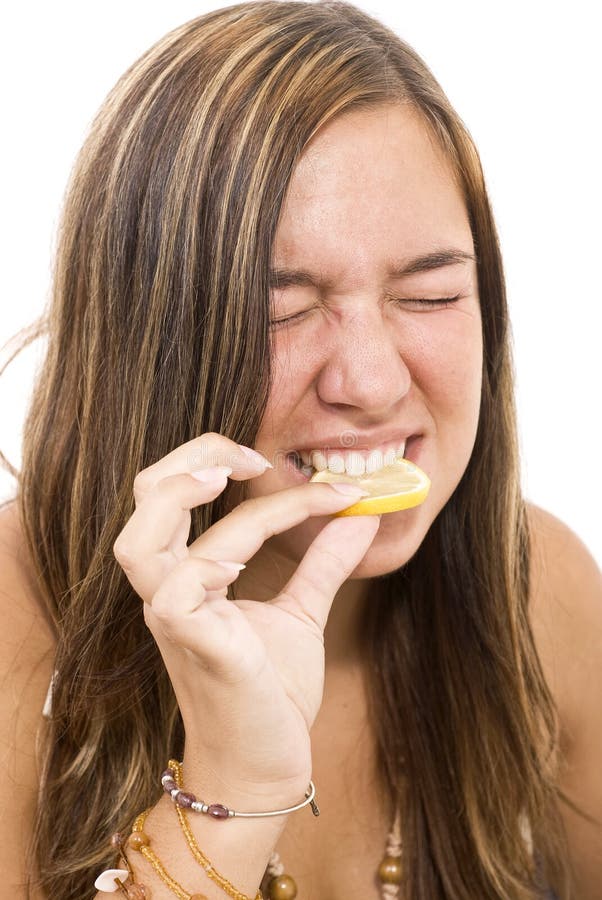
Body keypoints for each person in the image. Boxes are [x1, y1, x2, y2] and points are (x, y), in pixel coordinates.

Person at [0, 1, 600, 898]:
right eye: (278, 308)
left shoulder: (539, 585)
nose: (369, 382)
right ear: (145, 334)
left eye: (431, 295)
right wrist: (235, 787)